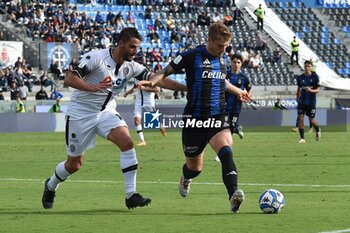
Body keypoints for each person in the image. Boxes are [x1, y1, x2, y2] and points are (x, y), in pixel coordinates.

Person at [41, 27, 185, 210]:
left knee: (126, 142)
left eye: (137, 48)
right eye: (132, 47)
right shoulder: (96, 58)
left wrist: (186, 88)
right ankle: (51, 185)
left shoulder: (132, 66)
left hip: (106, 112)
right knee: (74, 164)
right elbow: (69, 79)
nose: (135, 51)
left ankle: (131, 194)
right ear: (121, 44)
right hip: (81, 114)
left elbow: (157, 79)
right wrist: (91, 87)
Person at [139, 22, 251, 213]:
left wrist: (238, 91)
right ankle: (186, 176)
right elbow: (164, 71)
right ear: (209, 40)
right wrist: (153, 81)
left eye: (226, 46)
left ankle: (233, 195)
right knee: (195, 168)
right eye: (220, 46)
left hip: (218, 115)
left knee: (226, 150)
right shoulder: (191, 56)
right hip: (195, 119)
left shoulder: (222, 59)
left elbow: (221, 81)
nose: (224, 50)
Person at [214, 54, 252, 161]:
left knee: (228, 130)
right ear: (231, 63)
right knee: (223, 129)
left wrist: (246, 97)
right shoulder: (225, 75)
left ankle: (223, 153)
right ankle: (236, 130)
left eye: (238, 62)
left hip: (236, 108)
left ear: (241, 64)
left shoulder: (244, 78)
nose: (236, 64)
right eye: (234, 62)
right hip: (224, 107)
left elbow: (249, 91)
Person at [296, 60, 321, 143]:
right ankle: (302, 138)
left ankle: (317, 130)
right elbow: (298, 89)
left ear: (311, 67)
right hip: (302, 102)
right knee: (300, 117)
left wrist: (311, 90)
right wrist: (297, 99)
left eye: (308, 66)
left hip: (311, 102)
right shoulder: (300, 78)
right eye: (305, 66)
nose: (307, 68)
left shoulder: (315, 77)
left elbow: (318, 90)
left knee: (311, 119)